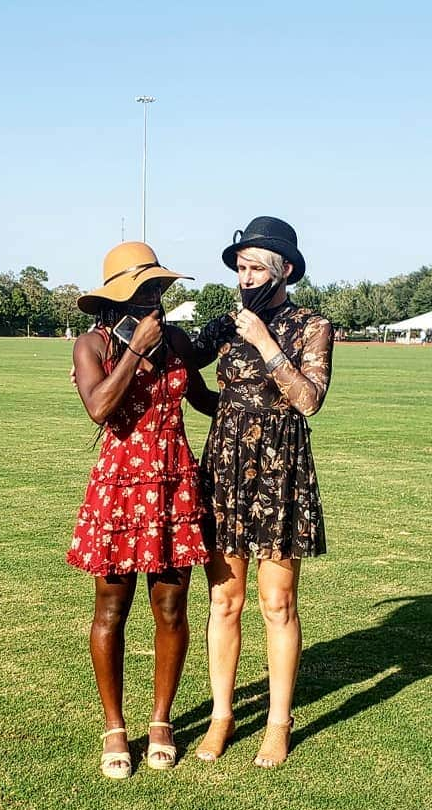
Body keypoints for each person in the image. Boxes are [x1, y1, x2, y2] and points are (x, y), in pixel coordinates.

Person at [68, 242, 218, 779]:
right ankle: (113, 725)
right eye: (145, 289)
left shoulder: (175, 339)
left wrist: (265, 407)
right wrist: (136, 351)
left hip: (176, 483)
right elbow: (99, 407)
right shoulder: (93, 345)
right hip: (121, 488)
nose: (156, 297)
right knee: (111, 610)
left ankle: (161, 721)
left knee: (172, 609)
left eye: (159, 288)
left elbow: (202, 397)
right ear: (119, 296)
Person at [190, 217, 333, 767]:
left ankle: (278, 723)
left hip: (280, 469)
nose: (244, 278)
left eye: (254, 268)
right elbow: (200, 380)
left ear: (284, 271)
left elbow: (308, 400)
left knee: (278, 602)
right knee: (225, 599)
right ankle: (222, 717)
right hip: (226, 462)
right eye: (240, 268)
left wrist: (265, 342)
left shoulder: (312, 326)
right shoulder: (224, 324)